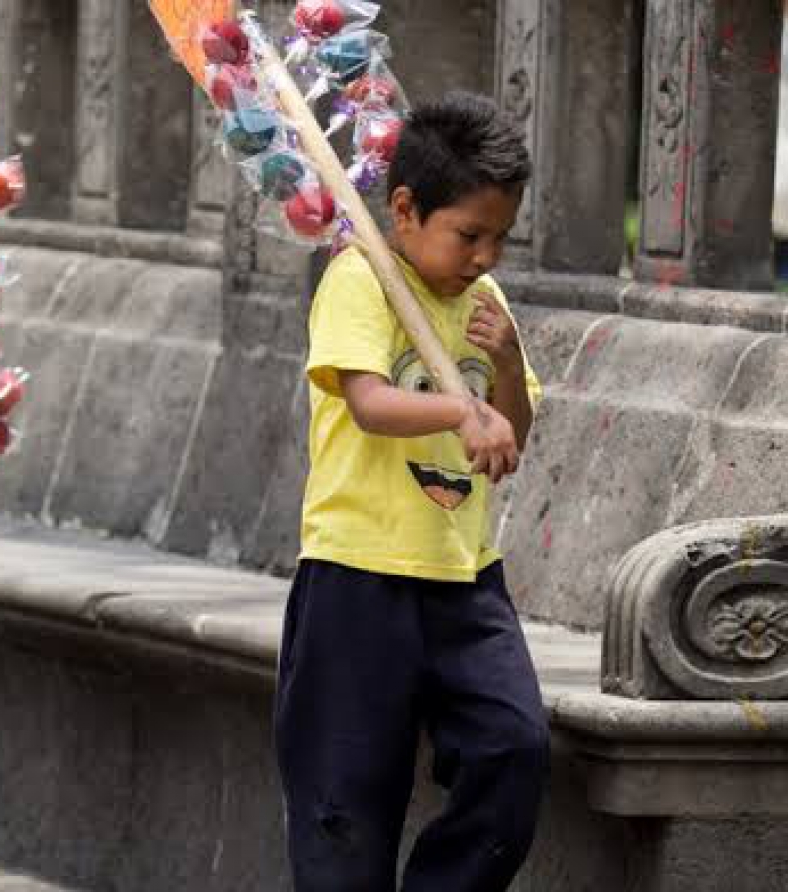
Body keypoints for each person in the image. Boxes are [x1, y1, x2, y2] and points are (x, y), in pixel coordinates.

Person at [275, 91, 549, 892]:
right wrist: (461, 408)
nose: (486, 257)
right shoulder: (360, 278)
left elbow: (511, 440)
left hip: (466, 579)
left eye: (500, 237)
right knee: (344, 812)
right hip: (356, 579)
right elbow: (369, 401)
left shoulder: (486, 306)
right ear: (405, 208)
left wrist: (502, 372)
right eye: (470, 234)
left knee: (514, 747)